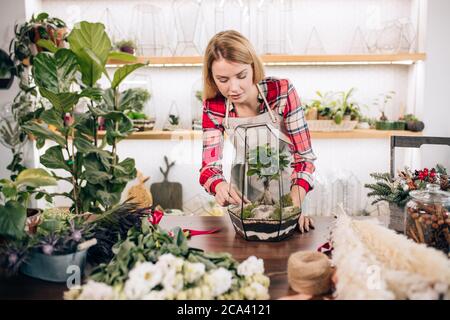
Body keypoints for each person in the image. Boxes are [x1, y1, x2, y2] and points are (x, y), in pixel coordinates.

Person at [199, 30, 317, 233]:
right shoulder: (214, 106)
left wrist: (292, 208)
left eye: (241, 75)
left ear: (253, 67)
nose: (233, 88)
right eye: (223, 80)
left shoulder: (281, 92)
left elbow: (304, 158)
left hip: (290, 194)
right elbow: (209, 165)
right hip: (243, 203)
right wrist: (218, 185)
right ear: (212, 78)